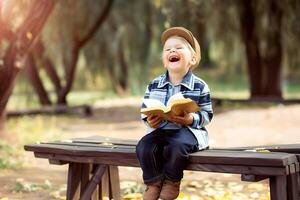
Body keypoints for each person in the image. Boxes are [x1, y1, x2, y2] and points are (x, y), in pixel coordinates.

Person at [136, 27, 213, 200]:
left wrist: (190, 118)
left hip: (187, 132)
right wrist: (150, 121)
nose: (172, 50)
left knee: (177, 147)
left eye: (179, 47)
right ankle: (153, 182)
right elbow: (145, 109)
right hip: (161, 130)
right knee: (143, 146)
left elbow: (207, 115)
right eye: (168, 49)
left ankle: (172, 181)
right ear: (164, 60)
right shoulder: (154, 84)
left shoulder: (200, 86)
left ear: (192, 58)